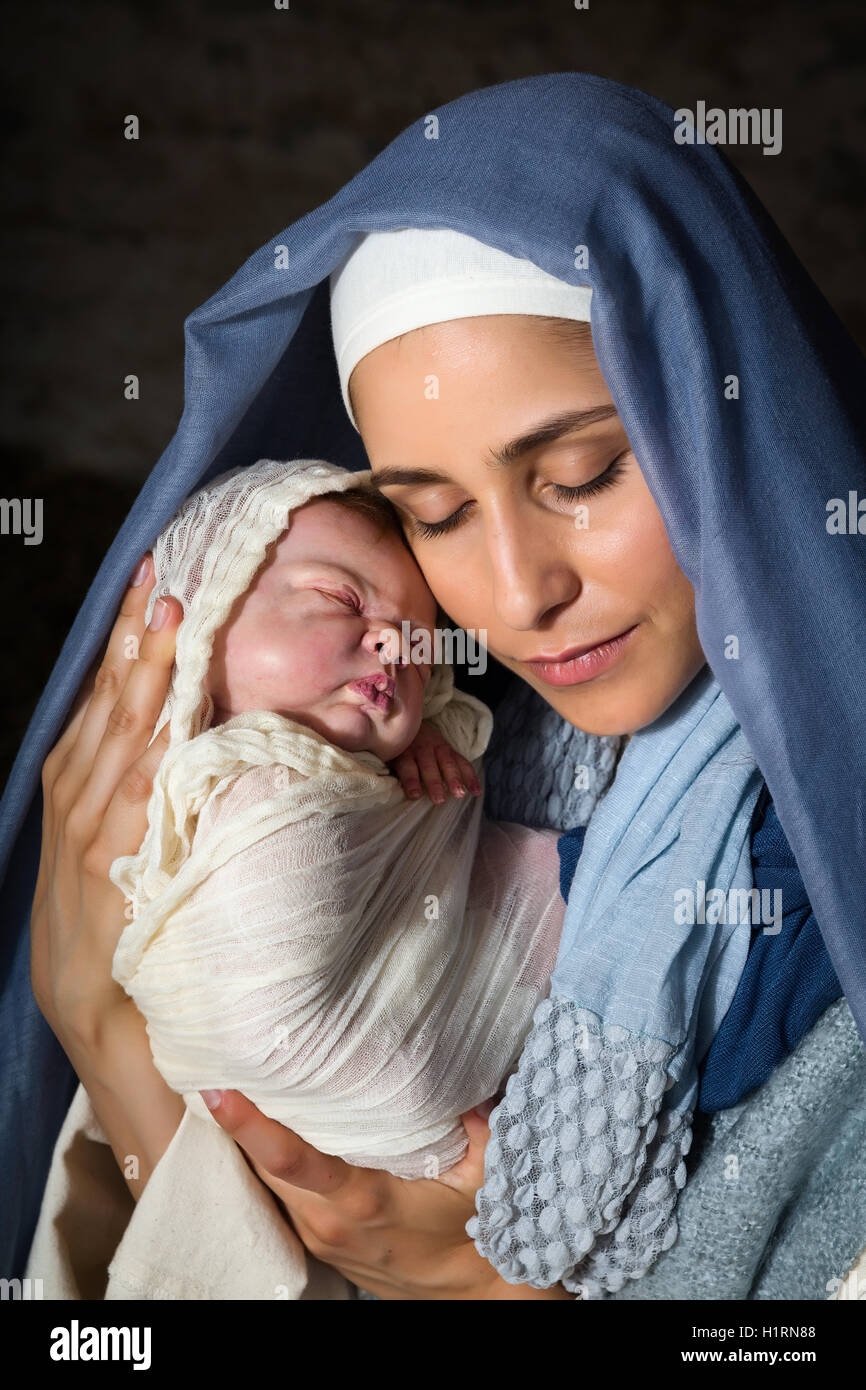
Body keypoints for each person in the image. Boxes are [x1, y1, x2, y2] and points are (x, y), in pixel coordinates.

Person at [5, 72, 865, 1299]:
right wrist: (105, 1034)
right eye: (436, 513)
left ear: (717, 419)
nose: (516, 594)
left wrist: (486, 1291)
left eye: (581, 472)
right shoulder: (460, 751)